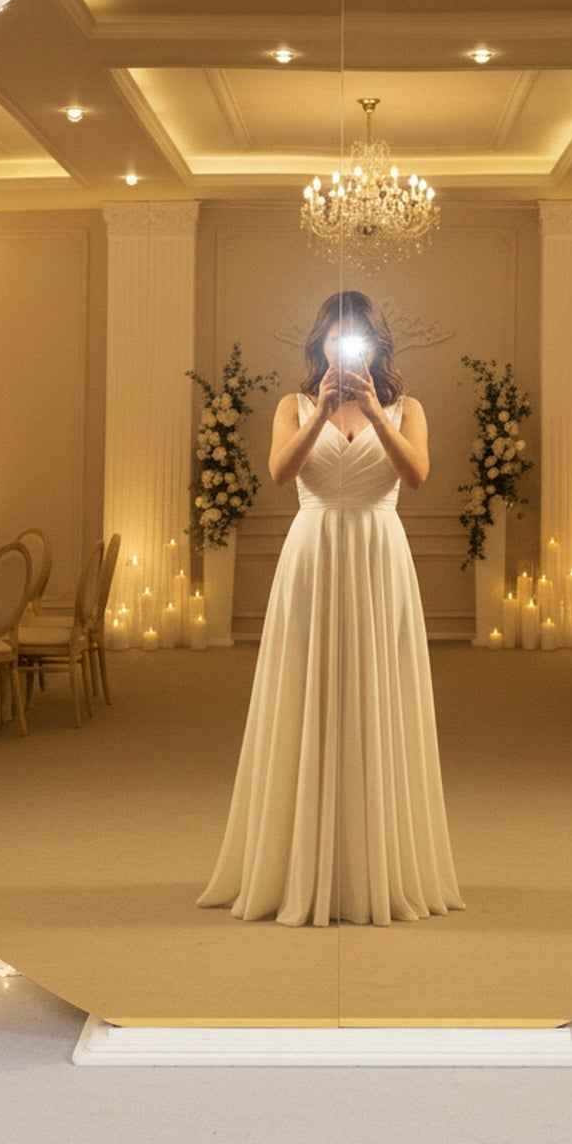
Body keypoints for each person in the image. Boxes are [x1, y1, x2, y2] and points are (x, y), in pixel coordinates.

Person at [197, 291, 464, 927]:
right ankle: (295, 859)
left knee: (377, 696)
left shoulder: (407, 407)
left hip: (380, 555)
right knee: (305, 694)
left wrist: (374, 410)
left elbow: (419, 475)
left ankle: (377, 864)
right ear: (319, 346)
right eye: (334, 340)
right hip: (312, 557)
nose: (343, 351)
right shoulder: (292, 408)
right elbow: (280, 474)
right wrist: (319, 415)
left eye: (357, 341)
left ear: (376, 348)